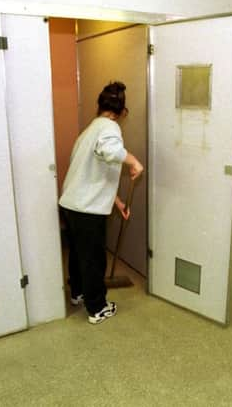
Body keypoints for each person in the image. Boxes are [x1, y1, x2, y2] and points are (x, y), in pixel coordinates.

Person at [59, 81, 144, 324]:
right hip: (87, 209)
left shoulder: (90, 130)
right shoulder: (109, 127)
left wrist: (116, 201)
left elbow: (93, 171)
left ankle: (78, 293)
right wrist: (134, 161)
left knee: (78, 253)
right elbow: (111, 151)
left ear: (99, 106)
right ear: (122, 112)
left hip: (72, 204)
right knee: (94, 258)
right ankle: (97, 308)